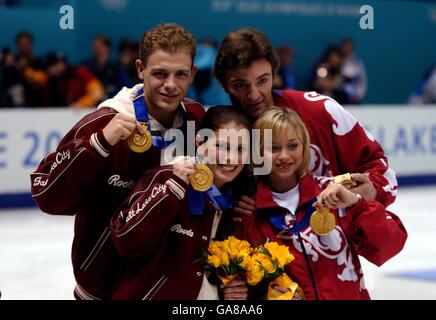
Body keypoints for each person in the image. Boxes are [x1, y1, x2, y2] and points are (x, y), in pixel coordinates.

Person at [30, 23, 204, 300]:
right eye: (159, 73)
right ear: (139, 69)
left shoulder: (197, 121)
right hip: (102, 290)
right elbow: (47, 196)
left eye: (180, 74)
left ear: (192, 74)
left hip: (163, 292)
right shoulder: (103, 123)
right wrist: (97, 145)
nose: (171, 84)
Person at [213, 28, 397, 212]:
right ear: (223, 84)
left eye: (262, 80)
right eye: (239, 85)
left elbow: (382, 172)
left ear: (274, 74)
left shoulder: (321, 111)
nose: (253, 95)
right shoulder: (218, 133)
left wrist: (370, 191)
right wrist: (229, 202)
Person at [235, 107, 407, 300]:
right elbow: (239, 285)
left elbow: (390, 246)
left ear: (304, 146)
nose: (284, 156)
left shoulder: (334, 192)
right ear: (258, 151)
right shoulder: (248, 211)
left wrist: (356, 204)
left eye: (292, 146)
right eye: (273, 148)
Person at [110, 106, 250, 300]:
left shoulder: (236, 198)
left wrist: (228, 285)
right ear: (200, 142)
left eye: (241, 149)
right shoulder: (167, 177)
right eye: (221, 146)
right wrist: (172, 190)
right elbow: (125, 239)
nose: (231, 158)